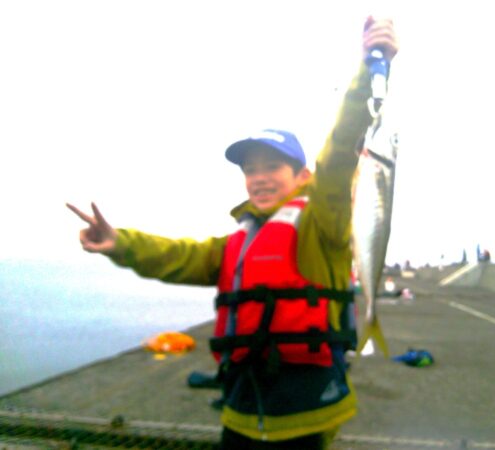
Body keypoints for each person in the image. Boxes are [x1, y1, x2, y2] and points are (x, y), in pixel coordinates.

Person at [67, 17, 398, 450]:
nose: (259, 177)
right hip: (240, 412)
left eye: (272, 167)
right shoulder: (239, 242)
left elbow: (339, 152)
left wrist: (370, 68)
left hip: (305, 417)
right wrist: (120, 243)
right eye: (250, 169)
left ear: (302, 176)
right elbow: (178, 255)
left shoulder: (323, 222)